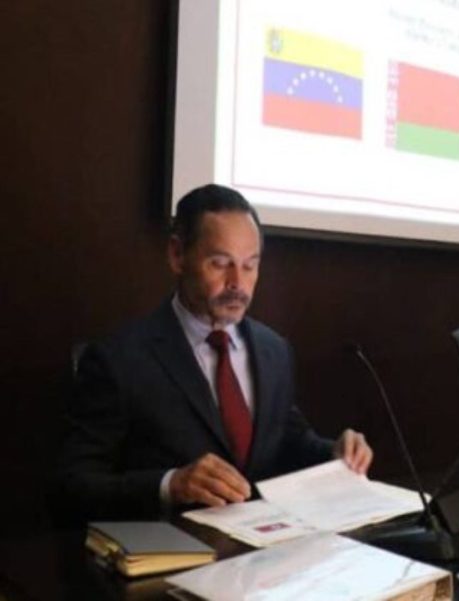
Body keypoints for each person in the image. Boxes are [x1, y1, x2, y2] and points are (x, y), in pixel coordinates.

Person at [57, 184, 372, 521]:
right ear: (177, 255)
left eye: (250, 266)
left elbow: (288, 440)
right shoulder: (119, 359)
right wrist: (170, 485)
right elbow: (71, 487)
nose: (237, 282)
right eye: (220, 264)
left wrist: (334, 453)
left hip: (266, 542)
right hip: (173, 546)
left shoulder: (274, 350)